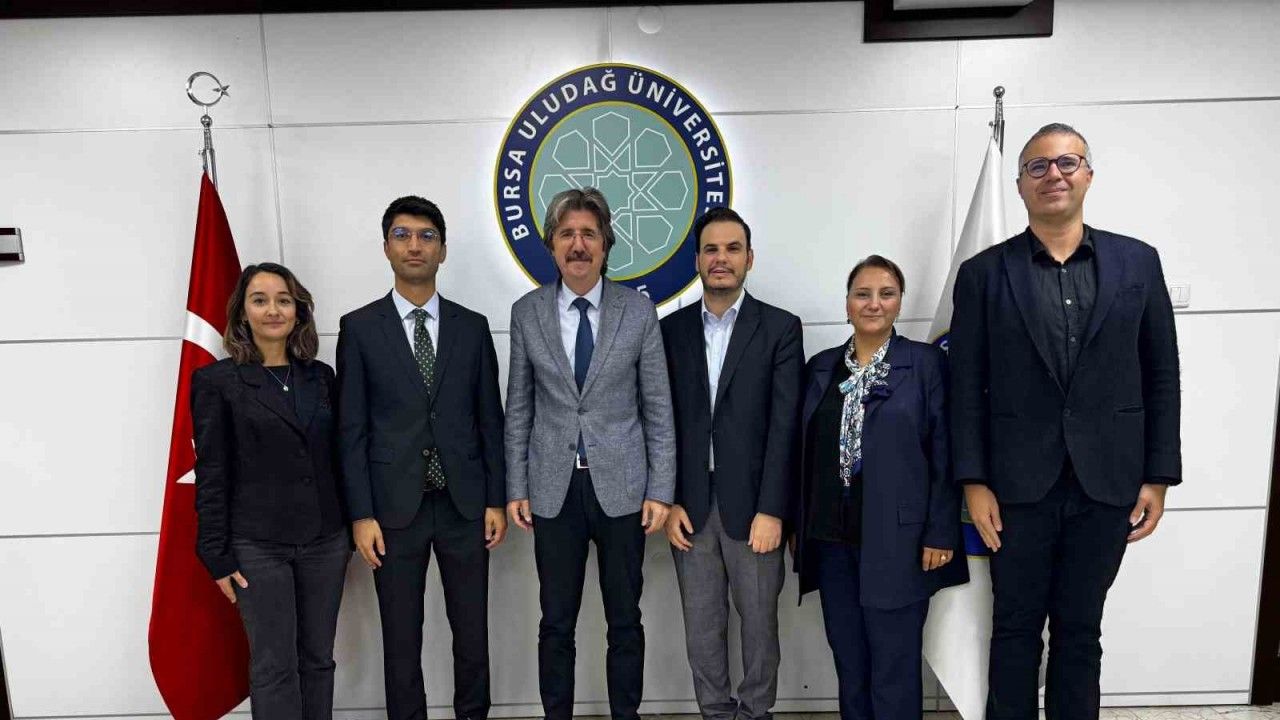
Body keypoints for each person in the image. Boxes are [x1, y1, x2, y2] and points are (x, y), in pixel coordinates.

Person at [949, 123, 1181, 720]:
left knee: (1080, 628)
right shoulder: (982, 274)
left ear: (1088, 175)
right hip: (1015, 486)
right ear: (1020, 186)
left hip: (1109, 483)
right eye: (1038, 166)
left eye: (1067, 162)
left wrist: (1158, 476)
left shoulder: (1138, 262)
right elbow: (964, 386)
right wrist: (973, 481)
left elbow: (1161, 374)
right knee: (1015, 627)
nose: (1054, 174)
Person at [504, 187, 676, 720]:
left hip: (623, 489)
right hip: (553, 490)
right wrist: (517, 486)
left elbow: (657, 407)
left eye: (588, 234)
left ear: (605, 244)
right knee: (556, 622)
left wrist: (660, 490)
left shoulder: (638, 311)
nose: (577, 245)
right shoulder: (527, 312)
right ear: (551, 245)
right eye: (566, 234)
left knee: (625, 620)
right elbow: (519, 407)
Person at [337, 196, 507, 720]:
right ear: (386, 247)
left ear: (443, 250)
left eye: (427, 236)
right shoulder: (359, 328)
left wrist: (495, 500)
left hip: (464, 505)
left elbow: (490, 420)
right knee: (401, 639)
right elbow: (351, 430)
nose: (415, 245)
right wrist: (361, 514)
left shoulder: (471, 326)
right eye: (403, 235)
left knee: (472, 634)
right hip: (392, 510)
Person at [793, 255, 967, 720]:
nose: (874, 303)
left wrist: (941, 531)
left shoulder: (926, 365)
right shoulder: (821, 367)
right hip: (831, 541)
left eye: (886, 293)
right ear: (847, 303)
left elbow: (946, 452)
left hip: (901, 542)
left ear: (899, 302)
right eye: (862, 294)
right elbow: (803, 452)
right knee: (850, 663)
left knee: (894, 666)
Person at [659, 206, 803, 720]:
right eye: (711, 249)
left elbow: (786, 426)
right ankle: (716, 713)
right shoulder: (669, 330)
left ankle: (756, 712)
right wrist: (668, 500)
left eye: (732, 249)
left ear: (749, 259)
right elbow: (661, 421)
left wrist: (774, 509)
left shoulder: (780, 328)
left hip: (756, 507)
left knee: (760, 627)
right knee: (701, 629)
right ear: (697, 260)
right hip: (690, 507)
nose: (721, 259)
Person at [192, 262, 350, 719]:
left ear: (298, 311)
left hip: (325, 541)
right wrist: (216, 554)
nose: (273, 310)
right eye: (259, 300)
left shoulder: (321, 377)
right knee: (274, 665)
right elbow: (212, 472)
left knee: (318, 660)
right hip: (258, 546)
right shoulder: (217, 382)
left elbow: (338, 456)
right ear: (242, 313)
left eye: (283, 300)